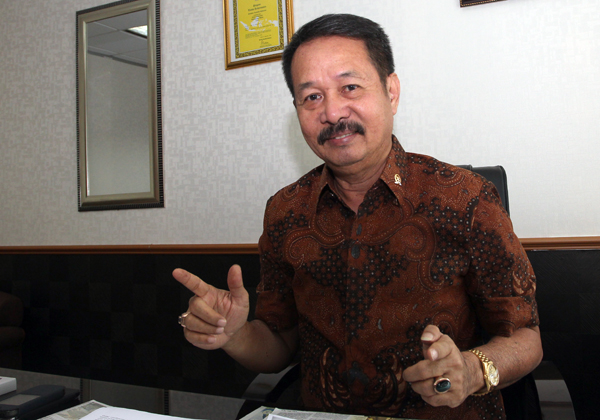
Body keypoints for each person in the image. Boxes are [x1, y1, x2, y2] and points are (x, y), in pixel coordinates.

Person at [173, 14, 542, 420]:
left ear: (391, 91)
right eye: (312, 97)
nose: (332, 112)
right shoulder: (284, 212)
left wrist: (472, 370)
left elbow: (525, 336)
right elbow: (278, 346)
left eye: (349, 87)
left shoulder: (465, 198)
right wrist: (234, 334)